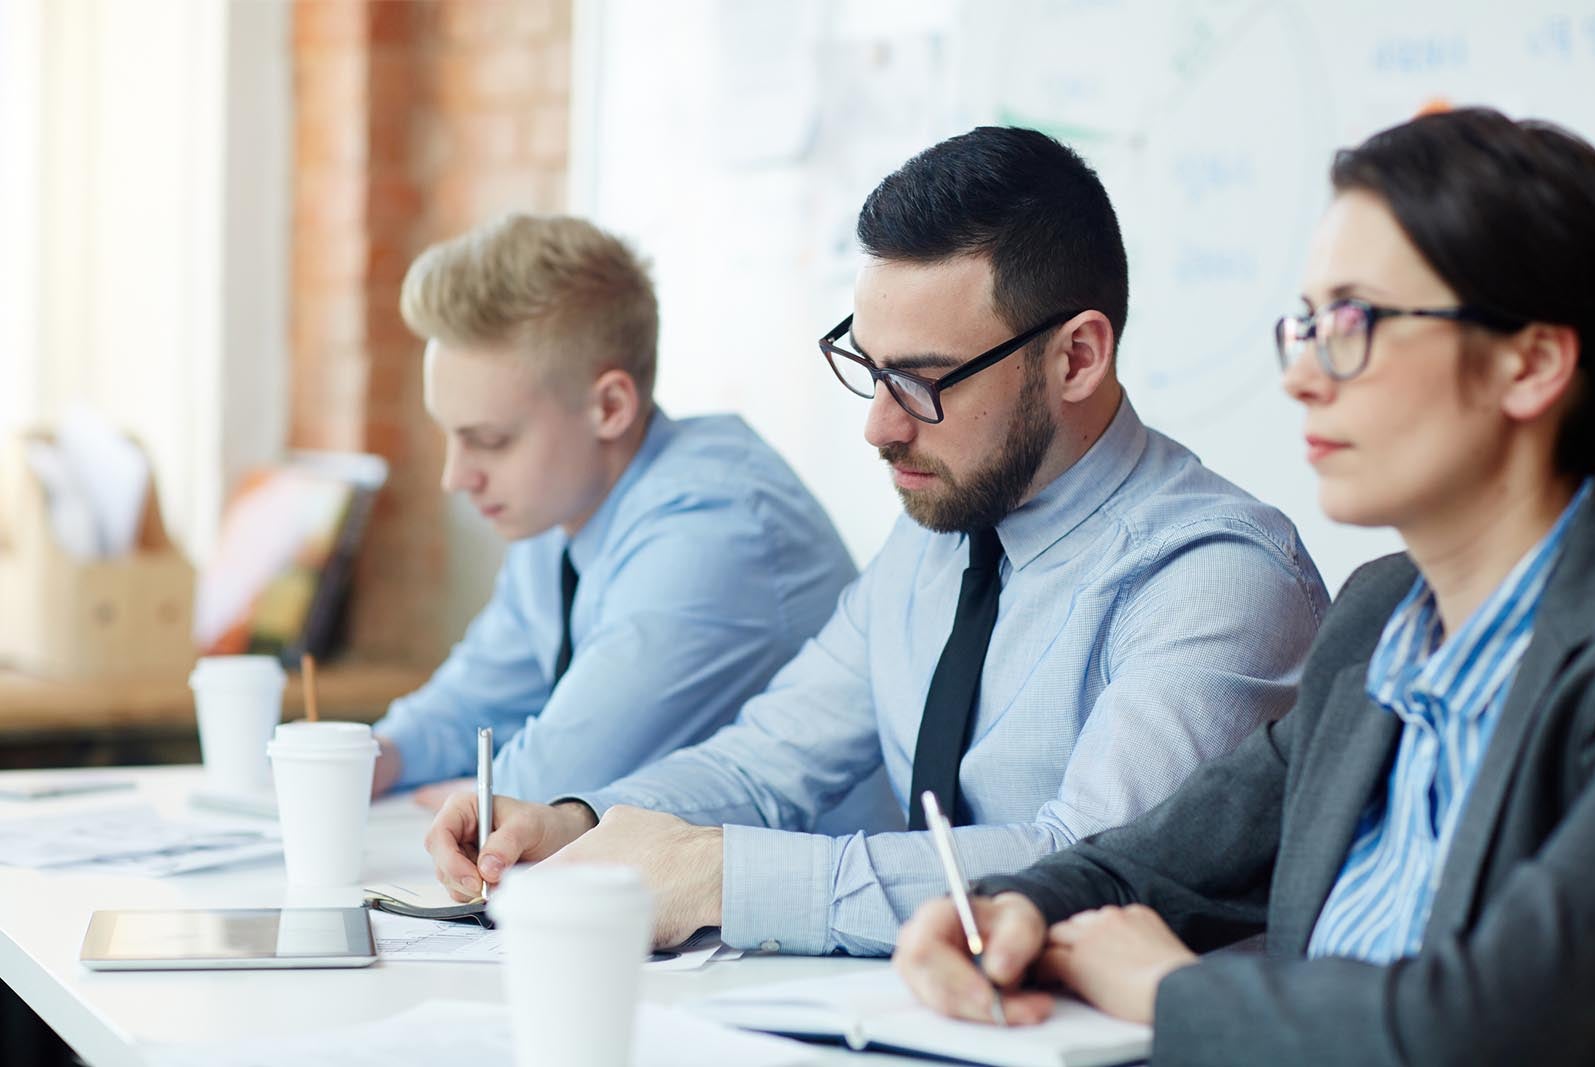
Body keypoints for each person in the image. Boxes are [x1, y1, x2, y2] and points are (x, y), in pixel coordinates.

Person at [424, 127, 1329, 955]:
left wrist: (722, 874)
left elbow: (1086, 869)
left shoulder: (1219, 577)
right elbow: (769, 758)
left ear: (1078, 358)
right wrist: (584, 821)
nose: (880, 426)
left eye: (922, 380)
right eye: (866, 366)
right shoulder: (938, 534)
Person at [893, 107, 1595, 1065]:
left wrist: (1175, 990)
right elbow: (1150, 862)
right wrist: (1009, 912)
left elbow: (1485, 1027)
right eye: (1303, 325)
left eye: (1354, 323)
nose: (1303, 376)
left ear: (1533, 362)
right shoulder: (1380, 619)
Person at [370, 213, 857, 805]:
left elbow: (548, 788)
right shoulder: (560, 510)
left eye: (491, 441)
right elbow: (476, 698)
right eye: (450, 436)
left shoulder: (715, 530)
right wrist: (374, 757)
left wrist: (471, 790)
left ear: (609, 407)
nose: (456, 477)